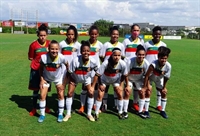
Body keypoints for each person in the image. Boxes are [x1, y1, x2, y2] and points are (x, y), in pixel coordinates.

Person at [63, 40, 98, 122]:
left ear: (90, 51)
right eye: (84, 51)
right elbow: (69, 72)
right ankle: (68, 114)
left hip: (87, 79)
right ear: (81, 52)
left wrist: (93, 86)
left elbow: (97, 73)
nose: (86, 53)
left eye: (87, 51)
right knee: (69, 93)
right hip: (75, 78)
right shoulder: (75, 60)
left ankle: (89, 114)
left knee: (91, 93)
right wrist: (64, 85)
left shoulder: (93, 61)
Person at [93, 48, 129, 120]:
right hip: (104, 80)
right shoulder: (106, 63)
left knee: (119, 93)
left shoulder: (123, 64)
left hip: (115, 80)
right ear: (112, 55)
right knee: (100, 94)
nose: (117, 57)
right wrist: (100, 84)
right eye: (115, 55)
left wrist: (125, 85)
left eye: (119, 55)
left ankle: (120, 112)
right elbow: (97, 75)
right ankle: (96, 113)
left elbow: (125, 75)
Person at [38, 40, 67, 123]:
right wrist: (42, 79)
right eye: (52, 49)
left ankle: (60, 114)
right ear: (48, 49)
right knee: (42, 95)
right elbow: (40, 68)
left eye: (56, 49)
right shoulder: (44, 57)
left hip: (58, 78)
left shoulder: (62, 58)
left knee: (60, 94)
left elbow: (68, 68)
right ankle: (42, 114)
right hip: (46, 78)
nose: (54, 51)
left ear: (59, 49)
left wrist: (64, 83)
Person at [78, 25, 103, 113]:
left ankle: (94, 105)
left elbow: (102, 57)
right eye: (92, 34)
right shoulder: (85, 44)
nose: (93, 36)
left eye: (95, 34)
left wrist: (100, 68)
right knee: (85, 87)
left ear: (98, 34)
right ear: (89, 34)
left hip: (96, 69)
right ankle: (82, 106)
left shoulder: (100, 45)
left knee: (95, 87)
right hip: (86, 69)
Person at [100, 26, 125, 112]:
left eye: (117, 34)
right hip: (107, 71)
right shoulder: (106, 44)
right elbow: (102, 56)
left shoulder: (121, 45)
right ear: (110, 35)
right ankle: (104, 104)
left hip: (116, 71)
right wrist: (107, 66)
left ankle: (116, 105)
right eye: (113, 34)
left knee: (116, 88)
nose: (115, 36)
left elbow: (123, 57)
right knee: (105, 88)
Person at [142, 46, 171, 119]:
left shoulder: (168, 66)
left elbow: (166, 77)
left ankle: (162, 110)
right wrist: (146, 86)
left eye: (165, 58)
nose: (163, 60)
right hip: (151, 78)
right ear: (158, 57)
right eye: (162, 58)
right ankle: (146, 110)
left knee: (163, 93)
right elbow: (147, 76)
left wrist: (164, 87)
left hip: (159, 79)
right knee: (148, 92)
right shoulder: (153, 65)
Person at [28, 24, 51, 116]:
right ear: (38, 35)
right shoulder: (33, 45)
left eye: (44, 35)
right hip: (36, 70)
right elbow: (30, 57)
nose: (42, 37)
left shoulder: (49, 44)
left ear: (47, 35)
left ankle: (45, 107)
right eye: (41, 35)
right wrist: (39, 61)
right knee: (36, 89)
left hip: (46, 70)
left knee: (45, 89)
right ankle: (34, 108)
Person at [143, 26, 167, 111]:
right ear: (152, 34)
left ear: (161, 35)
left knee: (159, 88)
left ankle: (159, 104)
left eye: (159, 34)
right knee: (147, 88)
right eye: (156, 34)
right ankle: (143, 104)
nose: (157, 35)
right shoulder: (146, 44)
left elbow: (165, 58)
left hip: (159, 70)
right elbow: (143, 56)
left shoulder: (163, 45)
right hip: (148, 70)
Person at [122, 24, 144, 111]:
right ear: (131, 31)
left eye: (137, 30)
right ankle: (123, 105)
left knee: (137, 86)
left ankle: (135, 103)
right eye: (134, 30)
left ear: (139, 31)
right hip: (128, 67)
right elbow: (122, 55)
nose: (136, 32)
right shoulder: (126, 41)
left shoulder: (141, 42)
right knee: (127, 86)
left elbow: (142, 54)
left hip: (137, 67)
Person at [59, 25, 81, 112]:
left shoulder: (78, 45)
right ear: (66, 34)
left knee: (71, 89)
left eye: (72, 34)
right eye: (68, 34)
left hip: (73, 70)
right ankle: (61, 106)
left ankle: (69, 106)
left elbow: (79, 58)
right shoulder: (61, 44)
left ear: (75, 35)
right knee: (62, 88)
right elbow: (59, 57)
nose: (70, 36)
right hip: (63, 70)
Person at [124, 45, 149, 119]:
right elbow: (126, 74)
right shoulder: (130, 61)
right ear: (136, 54)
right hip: (129, 79)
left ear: (145, 55)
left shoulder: (146, 63)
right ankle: (125, 111)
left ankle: (140, 111)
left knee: (142, 92)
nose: (141, 56)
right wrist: (127, 85)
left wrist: (144, 87)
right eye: (139, 54)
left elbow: (147, 76)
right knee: (128, 92)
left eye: (143, 55)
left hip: (139, 79)